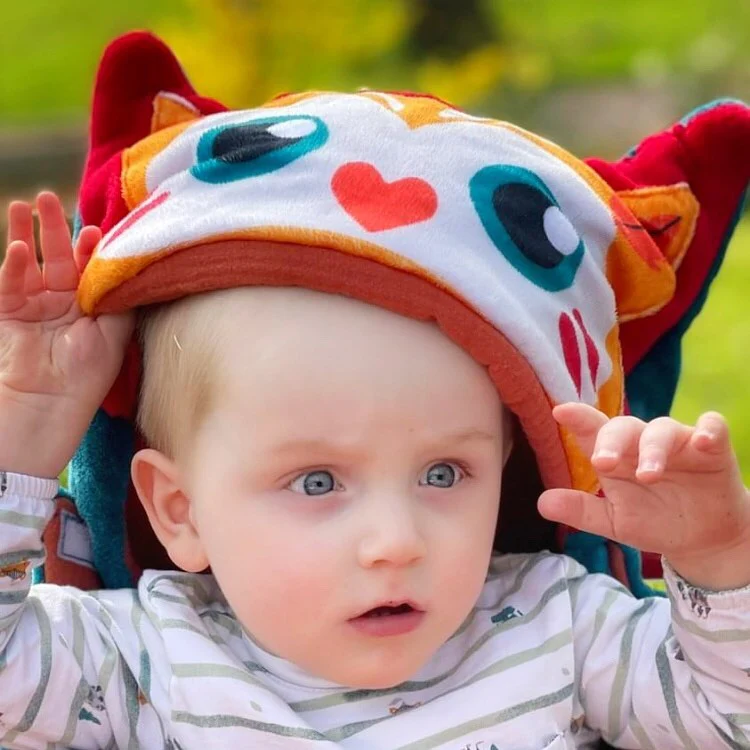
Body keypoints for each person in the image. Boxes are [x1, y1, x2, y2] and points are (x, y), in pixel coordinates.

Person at [0, 31, 749, 749]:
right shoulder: (143, 664)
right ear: (179, 508)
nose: (396, 542)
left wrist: (717, 556)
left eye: (444, 473)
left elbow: (727, 719)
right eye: (317, 482)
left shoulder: (557, 629)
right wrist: (27, 433)